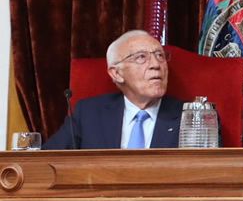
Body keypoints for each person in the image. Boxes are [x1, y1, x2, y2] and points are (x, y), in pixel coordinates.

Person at [45, 30, 188, 149]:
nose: (156, 64)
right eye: (141, 57)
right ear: (117, 74)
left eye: (160, 55)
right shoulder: (89, 113)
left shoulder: (189, 116)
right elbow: (47, 160)